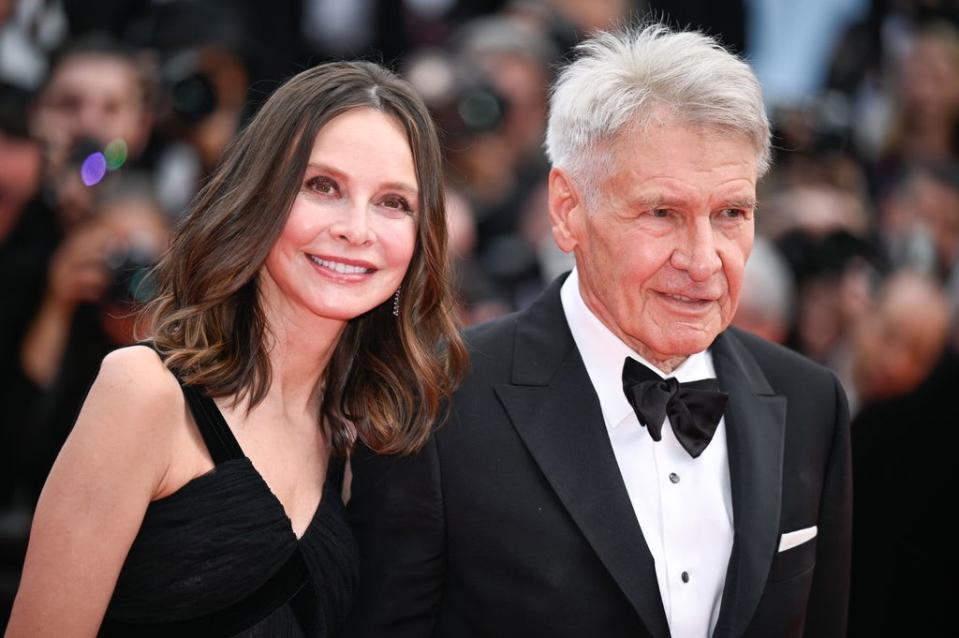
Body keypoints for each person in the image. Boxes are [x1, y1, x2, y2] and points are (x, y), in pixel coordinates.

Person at [346, 24, 851, 638]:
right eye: (661, 213)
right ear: (568, 210)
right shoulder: (437, 403)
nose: (703, 259)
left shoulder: (810, 402)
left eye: (731, 214)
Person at [7, 60, 467, 636]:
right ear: (262, 197)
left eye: (393, 202)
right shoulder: (145, 394)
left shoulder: (355, 437)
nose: (357, 228)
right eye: (322, 186)